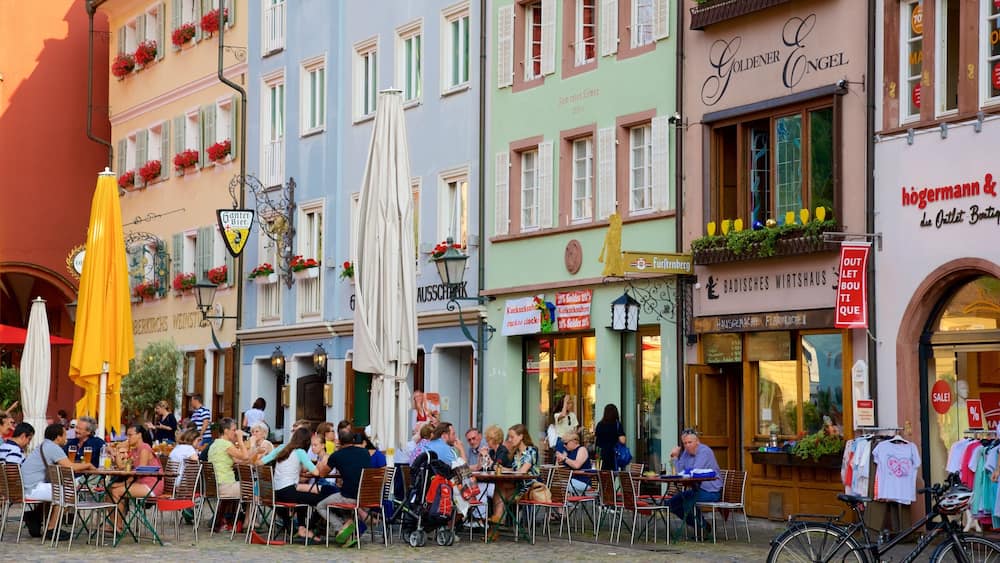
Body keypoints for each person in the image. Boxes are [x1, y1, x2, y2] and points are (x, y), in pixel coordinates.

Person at [21, 423, 95, 541]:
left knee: (59, 491)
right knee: (67, 492)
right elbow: (70, 466)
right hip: (32, 488)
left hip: (26, 486)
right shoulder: (53, 447)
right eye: (65, 435)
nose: (66, 438)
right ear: (58, 437)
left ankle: (36, 516)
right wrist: (89, 465)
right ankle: (51, 529)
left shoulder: (44, 445)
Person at [261, 427, 323, 543]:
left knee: (302, 498)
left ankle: (294, 527)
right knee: (319, 499)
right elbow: (316, 472)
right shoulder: (300, 452)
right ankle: (305, 528)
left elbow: (260, 462)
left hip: (275, 493)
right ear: (306, 442)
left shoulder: (281, 448)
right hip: (288, 492)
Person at [316, 429, 375, 547]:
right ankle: (348, 528)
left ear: (340, 441)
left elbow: (322, 473)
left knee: (320, 506)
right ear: (353, 440)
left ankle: (340, 528)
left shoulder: (337, 455)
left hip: (349, 496)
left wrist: (334, 452)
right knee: (341, 498)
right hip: (366, 497)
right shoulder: (364, 452)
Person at [667, 429, 723, 533]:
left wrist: (685, 473)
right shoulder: (686, 453)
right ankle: (702, 526)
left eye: (690, 442)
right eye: (685, 443)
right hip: (696, 490)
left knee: (687, 502)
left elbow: (694, 472)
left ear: (697, 441)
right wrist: (675, 457)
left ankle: (702, 528)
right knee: (671, 503)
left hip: (711, 491)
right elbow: (680, 472)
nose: (687, 445)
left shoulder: (704, 451)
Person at [208, 417, 252, 532]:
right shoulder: (226, 445)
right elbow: (245, 457)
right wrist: (240, 440)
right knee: (254, 489)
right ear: (226, 431)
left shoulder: (215, 444)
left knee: (247, 488)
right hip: (225, 485)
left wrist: (255, 452)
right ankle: (248, 522)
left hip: (215, 485)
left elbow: (239, 461)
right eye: (234, 430)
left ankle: (233, 521)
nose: (235, 432)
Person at [489, 424, 538, 524]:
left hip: (529, 489)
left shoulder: (531, 451)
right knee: (499, 486)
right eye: (509, 437)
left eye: (512, 437)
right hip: (518, 486)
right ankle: (497, 520)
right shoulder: (516, 453)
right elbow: (515, 470)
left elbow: (522, 471)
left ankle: (497, 521)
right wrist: (502, 469)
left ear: (521, 436)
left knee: (500, 489)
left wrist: (507, 471)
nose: (510, 440)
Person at [112, 424, 163, 498]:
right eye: (127, 435)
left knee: (116, 491)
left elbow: (140, 472)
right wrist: (117, 449)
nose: (128, 438)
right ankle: (120, 510)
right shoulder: (134, 450)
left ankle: (118, 510)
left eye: (130, 435)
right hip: (140, 483)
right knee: (111, 490)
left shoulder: (144, 448)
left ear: (139, 435)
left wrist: (123, 484)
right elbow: (122, 467)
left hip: (152, 485)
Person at [556, 431, 592, 495]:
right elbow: (563, 467)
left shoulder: (582, 449)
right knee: (554, 484)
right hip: (572, 481)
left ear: (574, 441)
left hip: (583, 482)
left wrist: (564, 458)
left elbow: (576, 465)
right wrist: (560, 461)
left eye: (566, 443)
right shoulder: (569, 452)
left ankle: (567, 503)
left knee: (557, 485)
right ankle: (568, 503)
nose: (564, 446)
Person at [594, 403, 626, 471]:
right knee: (611, 477)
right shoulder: (617, 424)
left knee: (602, 475)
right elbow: (622, 440)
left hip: (600, 454)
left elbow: (596, 440)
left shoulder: (600, 424)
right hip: (612, 455)